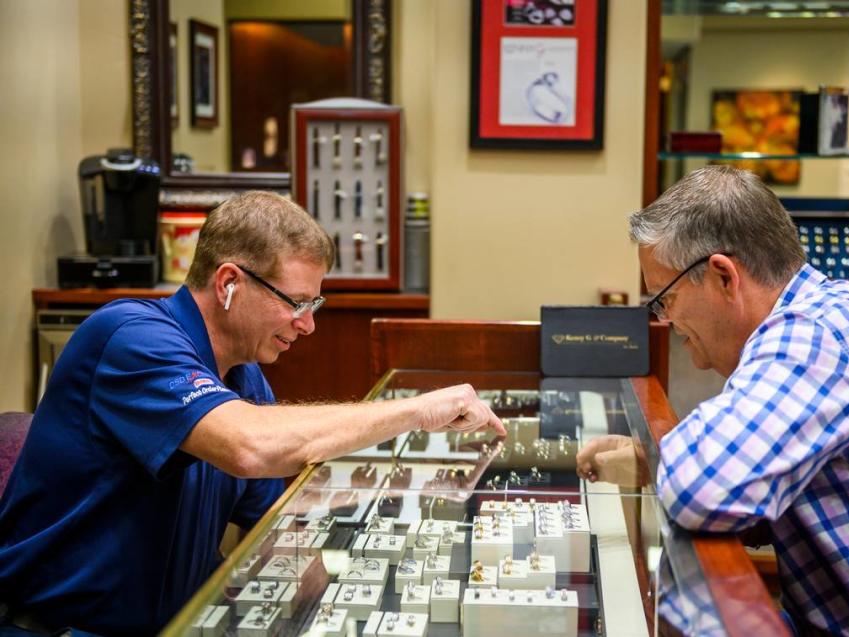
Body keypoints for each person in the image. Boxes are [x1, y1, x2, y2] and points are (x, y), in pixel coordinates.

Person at [0, 191, 504, 635]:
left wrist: (412, 498)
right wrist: (416, 410)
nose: (308, 326)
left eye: (316, 305)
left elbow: (279, 526)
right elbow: (250, 446)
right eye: (297, 303)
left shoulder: (243, 375)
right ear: (228, 284)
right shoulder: (130, 338)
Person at [577, 166, 849, 635]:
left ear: (722, 277)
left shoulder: (813, 336)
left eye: (665, 299)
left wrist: (661, 460)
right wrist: (648, 460)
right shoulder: (843, 311)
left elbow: (700, 489)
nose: (665, 321)